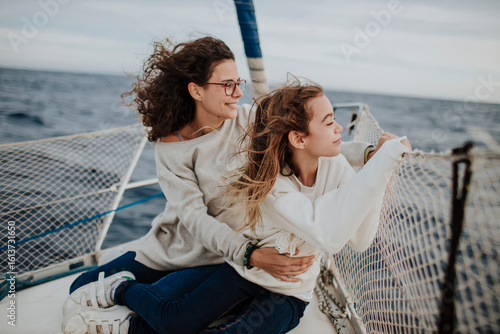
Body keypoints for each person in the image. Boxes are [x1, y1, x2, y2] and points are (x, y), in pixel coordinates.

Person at [61, 37, 377, 334]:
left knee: (176, 315)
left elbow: (308, 142)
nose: (238, 93)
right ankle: (137, 287)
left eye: (238, 83)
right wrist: (251, 255)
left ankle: (141, 308)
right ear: (196, 91)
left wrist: (365, 153)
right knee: (81, 287)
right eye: (227, 85)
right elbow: (194, 219)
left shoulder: (250, 119)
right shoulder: (171, 147)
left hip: (228, 257)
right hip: (184, 248)